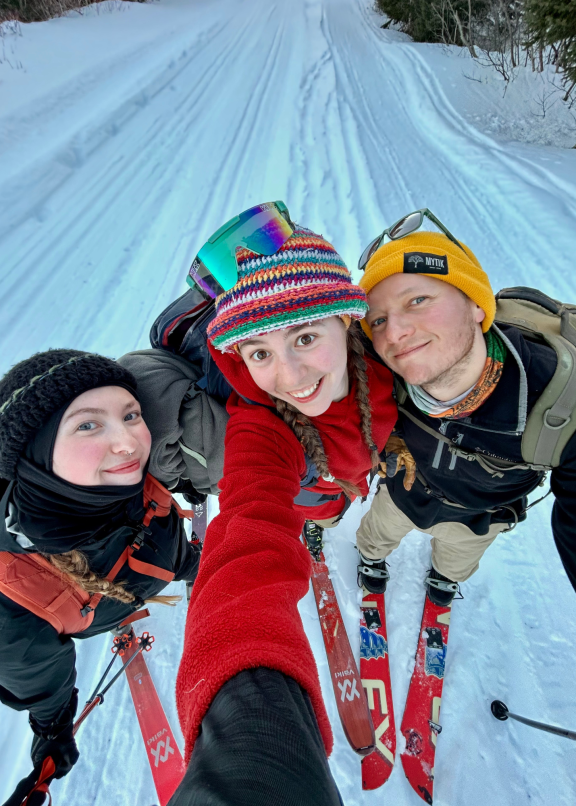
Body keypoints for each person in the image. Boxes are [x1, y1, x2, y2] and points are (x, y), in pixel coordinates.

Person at [167, 207, 397, 806]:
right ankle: (314, 530)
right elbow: (245, 532)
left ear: (347, 319)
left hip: (348, 481)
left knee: (329, 509)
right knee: (309, 513)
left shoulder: (397, 367)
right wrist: (249, 731)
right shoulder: (257, 423)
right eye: (257, 352)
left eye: (304, 337)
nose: (289, 375)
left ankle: (321, 526)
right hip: (307, 487)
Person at [0, 350, 201, 803]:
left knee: (180, 559)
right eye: (88, 424)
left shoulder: (119, 478)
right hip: (101, 606)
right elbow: (39, 676)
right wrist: (53, 730)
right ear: (32, 453)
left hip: (160, 561)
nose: (129, 442)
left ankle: (189, 566)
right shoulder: (10, 594)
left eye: (131, 414)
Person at [355, 208, 576, 607]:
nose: (397, 332)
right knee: (376, 534)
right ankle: (371, 558)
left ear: (477, 305)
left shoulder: (559, 399)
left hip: (479, 516)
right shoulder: (378, 378)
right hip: (404, 491)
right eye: (379, 320)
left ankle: (445, 577)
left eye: (418, 300)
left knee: (457, 559)